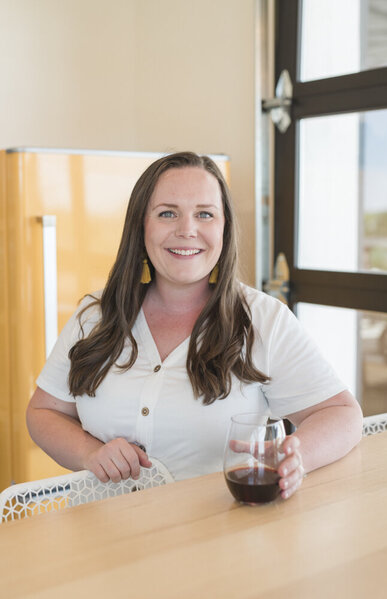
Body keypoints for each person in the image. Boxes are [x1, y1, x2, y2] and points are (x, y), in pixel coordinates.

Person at [26, 151, 363, 500]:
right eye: (167, 213)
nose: (187, 230)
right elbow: (43, 412)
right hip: (100, 537)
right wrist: (89, 452)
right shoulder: (94, 315)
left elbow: (342, 414)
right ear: (141, 226)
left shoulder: (264, 321)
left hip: (217, 539)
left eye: (204, 214)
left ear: (224, 228)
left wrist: (295, 456)